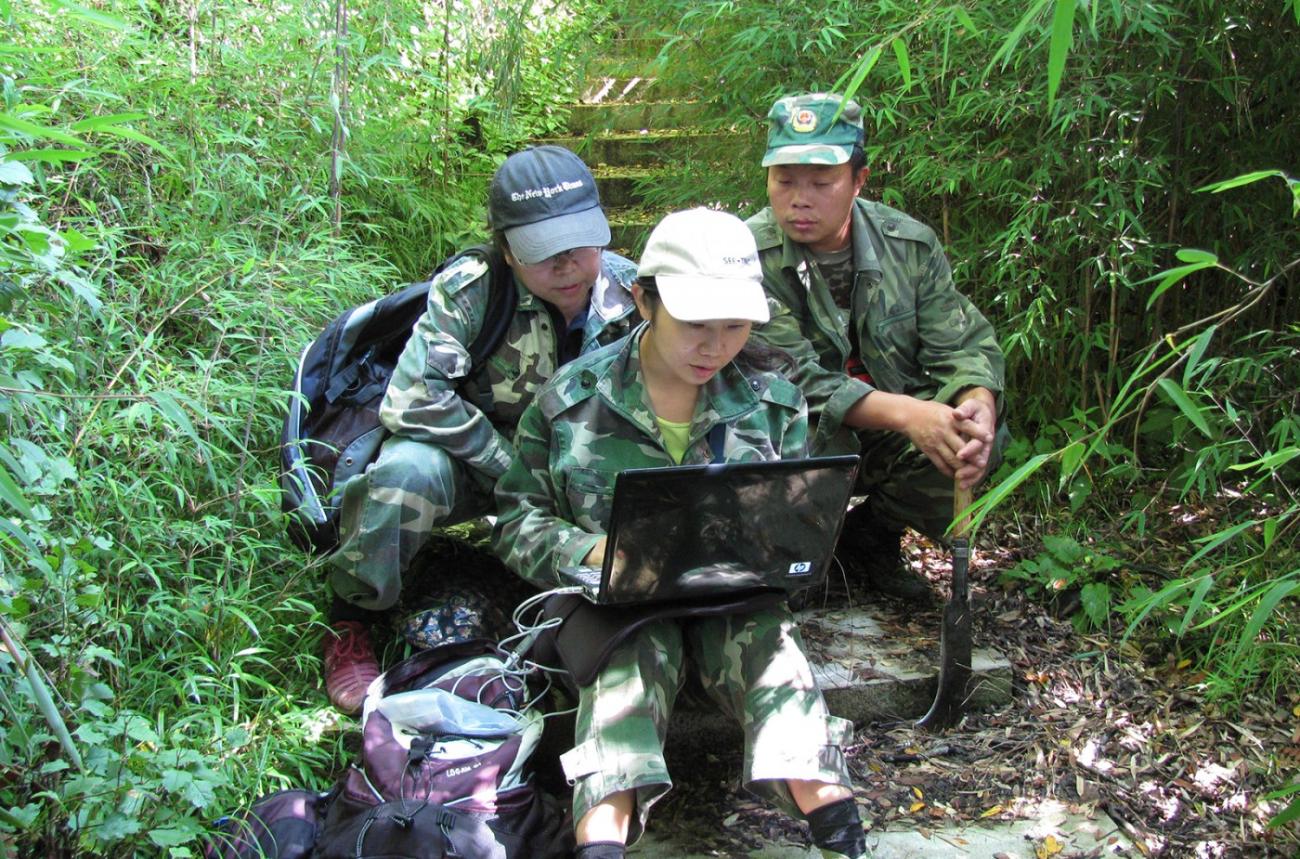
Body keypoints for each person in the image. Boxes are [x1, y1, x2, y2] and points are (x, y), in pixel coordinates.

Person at [492, 208, 868, 859]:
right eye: (695, 323)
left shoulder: (772, 403)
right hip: (616, 609)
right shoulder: (571, 401)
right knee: (626, 667)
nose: (714, 345)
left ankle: (841, 829)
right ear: (644, 300)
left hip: (732, 600)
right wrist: (589, 549)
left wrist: (784, 551)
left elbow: (794, 529)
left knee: (774, 656)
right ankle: (600, 842)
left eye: (734, 325)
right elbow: (516, 518)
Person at [322, 145, 641, 714]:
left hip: (585, 470)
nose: (567, 266)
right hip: (483, 464)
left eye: (580, 244)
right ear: (507, 249)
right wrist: (507, 466)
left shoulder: (634, 293)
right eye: (544, 253)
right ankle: (355, 615)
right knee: (404, 472)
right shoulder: (473, 291)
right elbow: (413, 398)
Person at [746, 92, 1007, 600]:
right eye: (784, 181)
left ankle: (870, 538)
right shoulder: (745, 257)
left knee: (972, 440)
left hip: (885, 435)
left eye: (821, 183)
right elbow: (791, 378)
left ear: (859, 180)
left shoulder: (907, 244)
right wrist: (910, 414)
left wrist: (977, 401)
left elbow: (962, 341)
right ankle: (796, 557)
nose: (800, 198)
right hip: (797, 439)